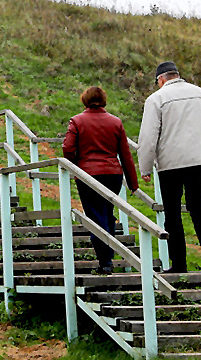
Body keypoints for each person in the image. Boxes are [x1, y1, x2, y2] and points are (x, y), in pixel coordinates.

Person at [138, 61, 201, 273]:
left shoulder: (156, 99)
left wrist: (145, 167)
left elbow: (148, 136)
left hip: (170, 164)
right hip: (197, 160)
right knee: (197, 205)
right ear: (177, 74)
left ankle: (179, 265)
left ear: (160, 79)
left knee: (172, 214)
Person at [63, 86, 139, 274]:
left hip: (88, 174)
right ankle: (108, 257)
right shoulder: (116, 122)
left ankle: (105, 262)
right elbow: (125, 155)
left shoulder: (77, 121)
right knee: (107, 213)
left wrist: (75, 165)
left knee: (96, 217)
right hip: (113, 174)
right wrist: (133, 183)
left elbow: (67, 148)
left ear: (85, 100)